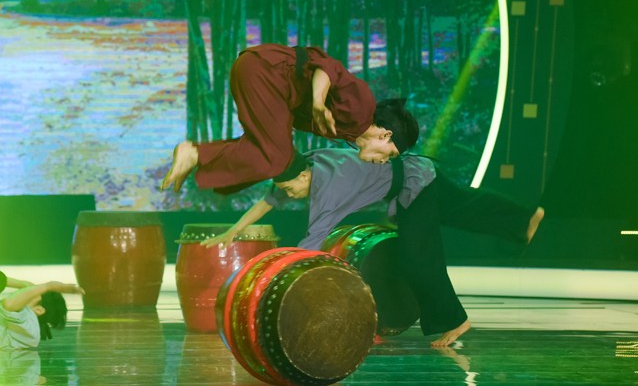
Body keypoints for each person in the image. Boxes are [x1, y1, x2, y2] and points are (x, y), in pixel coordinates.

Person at [201, 148, 544, 347]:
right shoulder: (305, 164)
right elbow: (268, 201)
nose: (289, 195)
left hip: (414, 184)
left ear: (305, 176)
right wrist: (234, 230)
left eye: (291, 189)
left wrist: (274, 276)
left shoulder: (329, 190)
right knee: (466, 208)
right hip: (420, 170)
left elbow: (311, 244)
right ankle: (525, 219)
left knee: (417, 257)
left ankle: (455, 320)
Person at [160, 43, 417, 195]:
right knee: (278, 157)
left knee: (271, 155)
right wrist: (318, 102)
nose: (383, 161)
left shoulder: (348, 130)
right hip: (268, 73)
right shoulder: (362, 108)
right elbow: (329, 68)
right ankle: (195, 154)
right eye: (390, 155)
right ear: (386, 135)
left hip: (262, 75)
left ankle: (197, 159)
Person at [0, 278, 84, 349]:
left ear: (39, 310)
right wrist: (23, 284)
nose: (23, 293)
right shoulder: (30, 325)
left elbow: (9, 304)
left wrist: (49, 286)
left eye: (32, 294)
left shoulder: (27, 320)